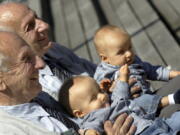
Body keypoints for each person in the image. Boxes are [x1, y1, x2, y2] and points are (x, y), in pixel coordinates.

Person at [0, 31, 137, 135]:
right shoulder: (12, 130)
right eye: (26, 59)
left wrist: (114, 92)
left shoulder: (34, 95)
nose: (39, 64)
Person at [58, 65, 180, 135]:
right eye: (94, 98)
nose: (102, 96)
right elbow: (91, 127)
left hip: (154, 123)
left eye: (100, 91)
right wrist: (89, 132)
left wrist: (122, 79)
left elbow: (120, 95)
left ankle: (173, 99)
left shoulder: (111, 103)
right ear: (80, 113)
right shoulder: (93, 118)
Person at [93, 25, 180, 94]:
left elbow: (152, 71)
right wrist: (105, 89)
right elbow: (99, 98)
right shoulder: (103, 74)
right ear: (105, 58)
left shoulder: (134, 61)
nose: (129, 54)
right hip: (129, 111)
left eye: (130, 47)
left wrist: (172, 74)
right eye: (121, 52)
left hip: (149, 99)